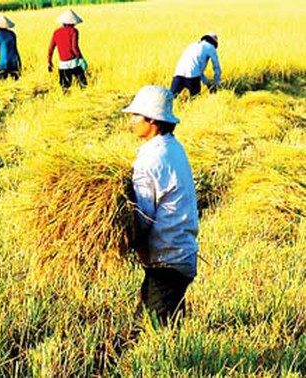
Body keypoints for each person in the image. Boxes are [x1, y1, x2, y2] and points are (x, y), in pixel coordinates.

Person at [122, 86, 199, 325]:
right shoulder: (172, 147)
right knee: (165, 324)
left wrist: (122, 240)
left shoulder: (150, 161)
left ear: (152, 120)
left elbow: (144, 218)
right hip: (179, 254)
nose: (132, 121)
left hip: (168, 259)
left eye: (137, 116)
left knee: (150, 329)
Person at [170, 33, 221, 98]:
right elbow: (217, 68)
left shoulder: (193, 45)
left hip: (178, 73)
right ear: (214, 43)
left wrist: (208, 84)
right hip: (192, 76)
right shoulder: (211, 47)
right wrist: (215, 85)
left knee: (170, 99)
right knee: (195, 100)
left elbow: (196, 68)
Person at [47, 9, 87, 90]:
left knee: (65, 88)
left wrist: (49, 62)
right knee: (83, 86)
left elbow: (50, 49)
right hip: (74, 63)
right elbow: (74, 48)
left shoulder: (56, 32)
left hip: (63, 64)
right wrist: (81, 58)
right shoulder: (73, 31)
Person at [0, 15, 21, 80]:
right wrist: (20, 64)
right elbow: (15, 50)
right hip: (13, 64)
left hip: (3, 65)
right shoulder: (12, 35)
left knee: (2, 82)